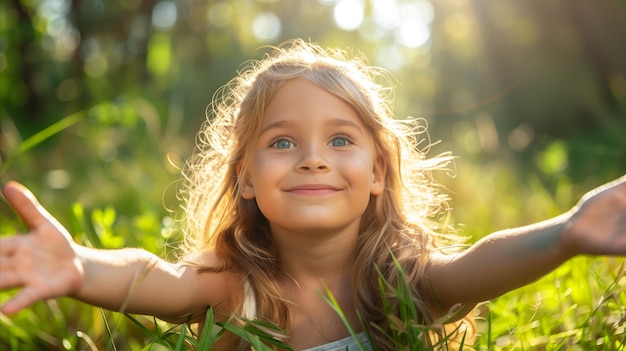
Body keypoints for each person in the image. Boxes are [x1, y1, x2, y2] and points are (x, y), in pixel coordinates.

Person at [0, 39, 625, 351]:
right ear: (245, 179)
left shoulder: (396, 282)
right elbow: (152, 276)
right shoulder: (234, 287)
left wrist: (567, 230)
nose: (314, 157)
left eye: (341, 139)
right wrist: (80, 266)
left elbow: (477, 269)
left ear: (379, 172)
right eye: (281, 143)